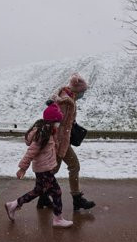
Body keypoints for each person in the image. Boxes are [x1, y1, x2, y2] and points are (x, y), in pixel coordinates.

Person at [5, 100, 73, 228]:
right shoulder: (43, 134)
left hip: (44, 168)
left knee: (38, 191)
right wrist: (22, 168)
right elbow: (31, 151)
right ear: (52, 121)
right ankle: (58, 219)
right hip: (43, 169)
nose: (58, 125)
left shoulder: (48, 131)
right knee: (56, 192)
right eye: (57, 122)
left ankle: (13, 205)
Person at [37, 73, 96, 211]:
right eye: (82, 91)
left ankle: (47, 197)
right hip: (59, 142)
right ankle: (39, 197)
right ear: (76, 89)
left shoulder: (68, 98)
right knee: (55, 170)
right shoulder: (65, 101)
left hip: (63, 141)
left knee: (67, 167)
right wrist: (57, 143)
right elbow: (57, 122)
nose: (83, 94)